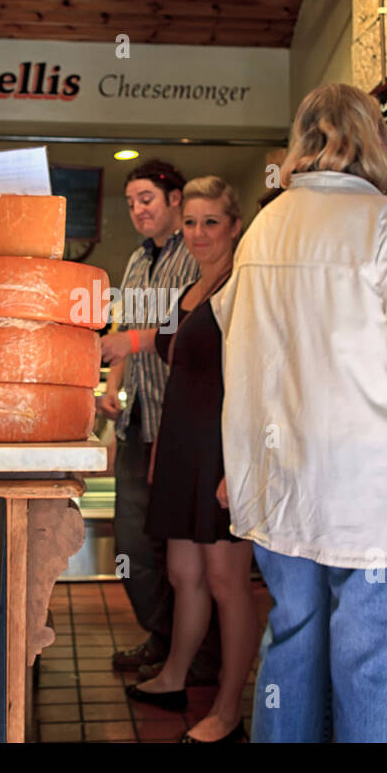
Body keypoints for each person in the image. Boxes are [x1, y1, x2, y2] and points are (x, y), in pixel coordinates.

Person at [210, 83, 387, 743]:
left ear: (302, 143)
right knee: (370, 671)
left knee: (294, 644)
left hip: (285, 493)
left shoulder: (263, 231)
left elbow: (239, 348)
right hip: (380, 500)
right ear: (376, 140)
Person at [102, 178, 255, 743]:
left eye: (211, 222)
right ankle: (172, 675)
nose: (198, 233)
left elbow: (254, 376)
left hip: (220, 446)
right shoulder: (192, 287)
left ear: (234, 226)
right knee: (182, 571)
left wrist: (235, 466)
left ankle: (228, 707)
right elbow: (163, 349)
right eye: (191, 223)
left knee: (226, 579)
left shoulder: (243, 284)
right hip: (181, 442)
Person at [98, 160, 220, 684]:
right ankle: (164, 637)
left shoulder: (196, 258)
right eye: (130, 203)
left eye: (146, 198)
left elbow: (189, 327)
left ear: (175, 200)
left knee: (181, 550)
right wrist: (110, 385)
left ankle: (195, 656)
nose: (138, 210)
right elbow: (126, 327)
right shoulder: (134, 260)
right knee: (133, 542)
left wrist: (132, 341)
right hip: (136, 420)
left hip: (180, 426)